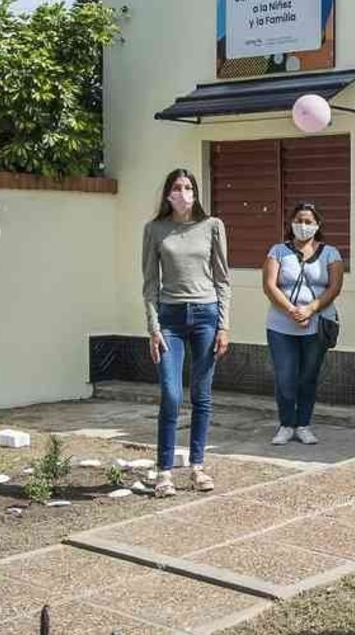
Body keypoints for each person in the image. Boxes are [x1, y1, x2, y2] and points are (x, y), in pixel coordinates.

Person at [141, 168, 231, 498]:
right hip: (171, 318)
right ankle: (163, 472)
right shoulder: (155, 230)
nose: (183, 192)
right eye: (177, 188)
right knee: (171, 394)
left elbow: (223, 279)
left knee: (201, 395)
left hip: (206, 315)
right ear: (168, 194)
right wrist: (153, 328)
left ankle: (197, 467)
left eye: (188, 187)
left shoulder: (212, 226)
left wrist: (224, 324)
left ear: (196, 192)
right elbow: (150, 283)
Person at [262, 202, 344, 446]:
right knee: (285, 376)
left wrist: (310, 309)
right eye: (299, 220)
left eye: (309, 221)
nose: (303, 226)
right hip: (281, 325)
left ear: (317, 225)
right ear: (291, 223)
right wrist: (291, 311)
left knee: (308, 376)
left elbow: (335, 287)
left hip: (317, 323)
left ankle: (304, 425)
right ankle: (287, 424)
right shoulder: (278, 251)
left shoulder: (331, 253)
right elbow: (270, 285)